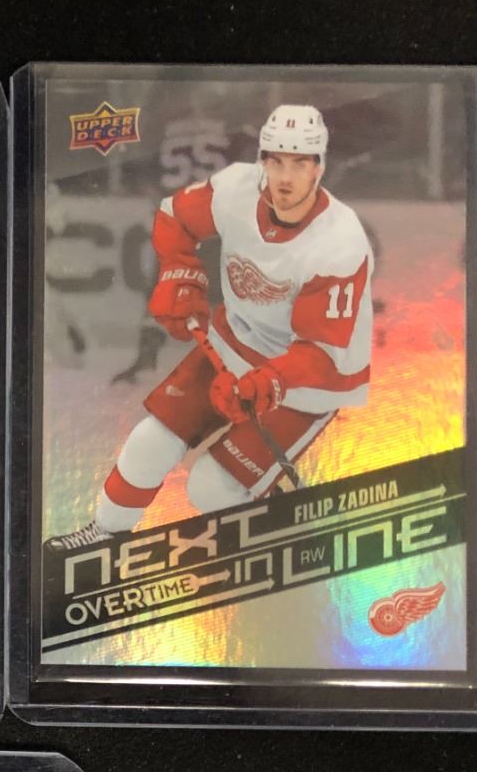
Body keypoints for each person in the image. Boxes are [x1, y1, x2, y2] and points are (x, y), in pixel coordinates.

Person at [50, 104, 374, 548]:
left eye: (300, 164)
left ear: (318, 167)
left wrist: (266, 382)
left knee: (211, 489)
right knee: (150, 441)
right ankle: (105, 535)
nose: (285, 178)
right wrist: (179, 273)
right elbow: (175, 215)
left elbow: (320, 353)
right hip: (234, 344)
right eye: (276, 161)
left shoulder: (339, 241)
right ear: (261, 160)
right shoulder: (236, 188)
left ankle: (273, 528)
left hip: (305, 383)